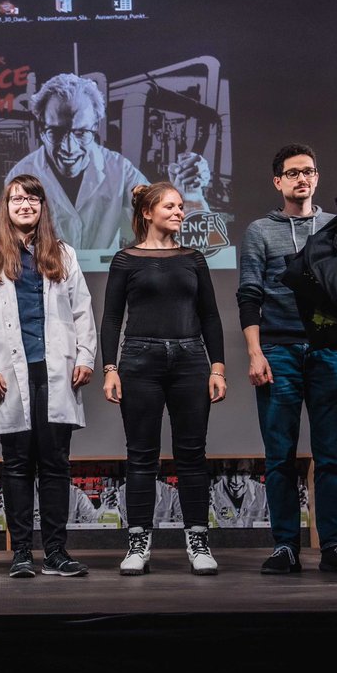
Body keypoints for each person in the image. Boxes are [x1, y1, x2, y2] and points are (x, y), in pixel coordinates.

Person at [237, 144, 337, 574]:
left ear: (317, 177)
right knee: (280, 456)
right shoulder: (260, 231)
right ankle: (285, 547)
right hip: (278, 352)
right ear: (278, 181)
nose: (302, 179)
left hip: (330, 351)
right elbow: (249, 295)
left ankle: (333, 545)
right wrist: (255, 353)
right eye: (293, 173)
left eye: (309, 172)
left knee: (331, 455)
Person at [0, 174, 98, 578]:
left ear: (43, 206)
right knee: (18, 464)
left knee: (56, 464)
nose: (25, 205)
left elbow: (82, 311)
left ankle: (56, 552)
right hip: (9, 375)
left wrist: (86, 356)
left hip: (55, 371)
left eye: (33, 199)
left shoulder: (64, 255)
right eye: (17, 199)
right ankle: (21, 551)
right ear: (5, 208)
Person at [102, 181, 227, 575]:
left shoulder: (194, 258)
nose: (178, 212)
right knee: (141, 457)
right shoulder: (125, 260)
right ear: (147, 213)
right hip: (139, 360)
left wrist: (218, 367)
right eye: (170, 206)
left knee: (192, 455)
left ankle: (198, 541)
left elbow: (210, 316)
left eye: (180, 206)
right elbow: (110, 319)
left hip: (191, 359)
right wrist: (110, 368)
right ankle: (138, 543)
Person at [4, 73, 209, 250]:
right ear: (41, 129)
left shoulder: (121, 171)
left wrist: (191, 194)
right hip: (46, 286)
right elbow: (13, 248)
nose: (69, 148)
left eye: (81, 132)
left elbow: (164, 229)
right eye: (56, 132)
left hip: (106, 284)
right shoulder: (20, 176)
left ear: (95, 127)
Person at [208, 460, 268, 529]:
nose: (236, 481)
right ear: (221, 472)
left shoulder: (264, 493)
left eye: (242, 473)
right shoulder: (211, 495)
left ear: (250, 472)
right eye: (229, 472)